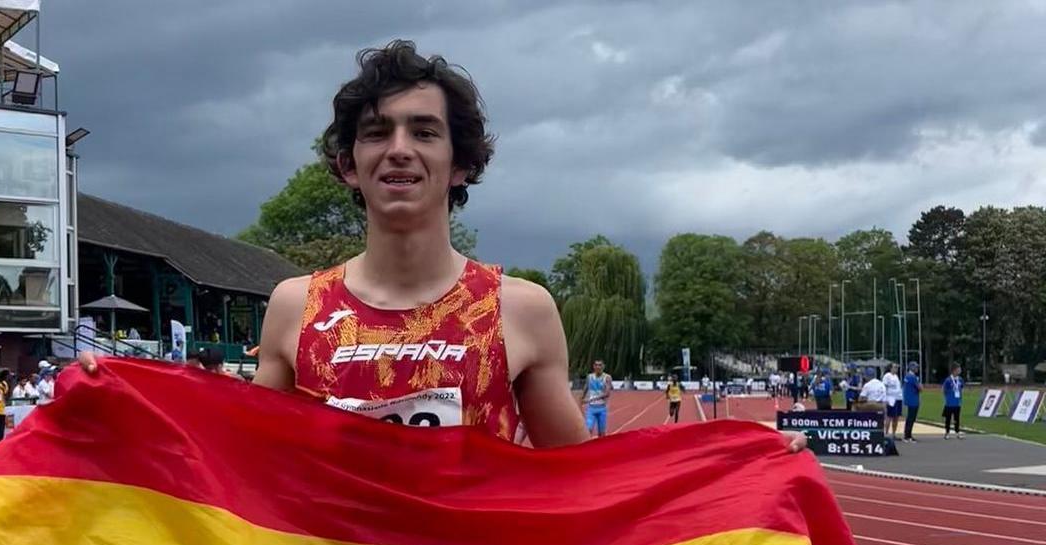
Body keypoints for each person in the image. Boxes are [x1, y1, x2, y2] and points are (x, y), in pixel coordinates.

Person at [77, 41, 806, 454]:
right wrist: (122, 404)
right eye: (376, 131)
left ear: (461, 164)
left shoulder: (519, 309)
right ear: (347, 164)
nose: (398, 150)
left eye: (424, 131)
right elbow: (236, 451)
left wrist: (738, 465)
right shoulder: (294, 306)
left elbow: (580, 470)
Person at [580, 360, 613, 437]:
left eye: (600, 365)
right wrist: (581, 399)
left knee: (602, 433)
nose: (598, 367)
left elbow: (607, 394)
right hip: (591, 409)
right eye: (596, 365)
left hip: (602, 408)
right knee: (588, 429)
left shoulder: (607, 378)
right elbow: (586, 388)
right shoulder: (590, 377)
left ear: (603, 366)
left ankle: (601, 448)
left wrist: (590, 399)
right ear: (593, 366)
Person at [942, 363, 964, 439]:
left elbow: (961, 389)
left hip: (957, 403)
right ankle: (947, 432)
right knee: (948, 419)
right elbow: (944, 390)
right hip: (949, 403)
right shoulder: (948, 380)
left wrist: (960, 399)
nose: (960, 370)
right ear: (954, 370)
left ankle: (957, 432)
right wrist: (947, 398)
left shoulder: (960, 379)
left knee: (957, 419)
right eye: (958, 369)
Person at [881, 363, 903, 439]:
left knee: (896, 417)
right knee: (889, 416)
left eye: (897, 367)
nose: (896, 368)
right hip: (890, 399)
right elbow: (884, 388)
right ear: (890, 368)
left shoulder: (896, 376)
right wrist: (885, 399)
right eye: (894, 367)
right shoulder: (887, 376)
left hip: (898, 398)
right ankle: (886, 433)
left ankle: (893, 434)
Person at [902, 361, 922, 442]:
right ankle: (908, 436)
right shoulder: (913, 377)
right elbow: (920, 388)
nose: (917, 369)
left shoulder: (907, 376)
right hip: (913, 400)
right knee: (911, 418)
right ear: (912, 368)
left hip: (909, 399)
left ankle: (907, 435)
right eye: (916, 367)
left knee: (909, 418)